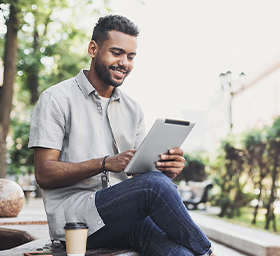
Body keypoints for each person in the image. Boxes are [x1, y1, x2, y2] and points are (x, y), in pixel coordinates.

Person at [28, 14, 216, 256]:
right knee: (155, 187)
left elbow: (142, 176)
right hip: (77, 222)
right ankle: (208, 252)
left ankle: (200, 252)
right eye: (116, 53)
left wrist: (166, 169)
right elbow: (44, 174)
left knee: (181, 252)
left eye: (130, 56)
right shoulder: (56, 99)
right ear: (93, 49)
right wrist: (105, 163)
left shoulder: (133, 109)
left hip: (124, 218)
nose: (124, 63)